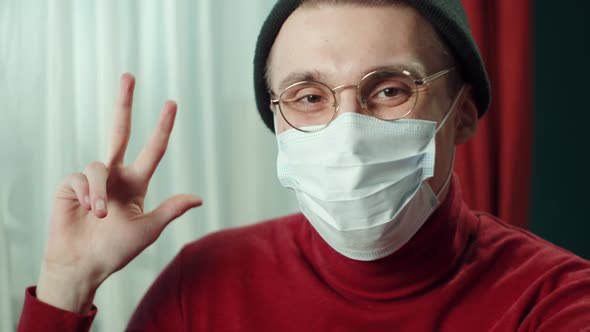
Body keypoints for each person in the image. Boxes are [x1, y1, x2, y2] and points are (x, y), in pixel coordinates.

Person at [17, 0, 590, 331]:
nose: (348, 130)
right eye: (309, 97)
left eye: (390, 89)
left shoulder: (552, 300)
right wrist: (67, 284)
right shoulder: (203, 287)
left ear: (462, 114)